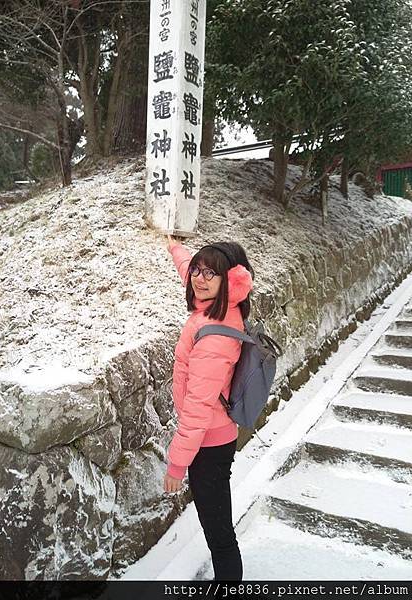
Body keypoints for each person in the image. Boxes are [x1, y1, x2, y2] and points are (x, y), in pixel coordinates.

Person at [163, 234, 255, 581]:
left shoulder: (215, 335)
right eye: (197, 272)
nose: (199, 279)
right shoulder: (219, 309)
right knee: (217, 522)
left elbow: (199, 408)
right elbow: (190, 270)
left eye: (209, 274)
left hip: (209, 443)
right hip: (215, 436)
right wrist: (175, 248)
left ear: (230, 283)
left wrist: (176, 465)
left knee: (219, 533)